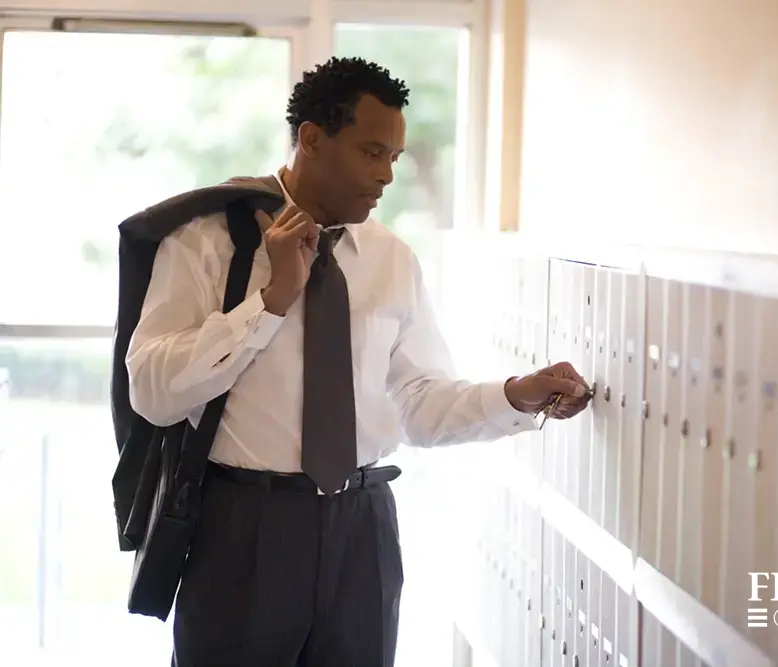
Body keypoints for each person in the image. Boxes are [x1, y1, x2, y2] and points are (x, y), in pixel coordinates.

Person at [125, 56, 592, 667]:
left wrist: (514, 395)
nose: (387, 177)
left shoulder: (390, 258)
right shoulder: (207, 240)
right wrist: (269, 303)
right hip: (245, 525)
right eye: (373, 153)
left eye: (394, 158)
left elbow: (419, 404)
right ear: (313, 140)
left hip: (363, 527)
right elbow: (152, 392)